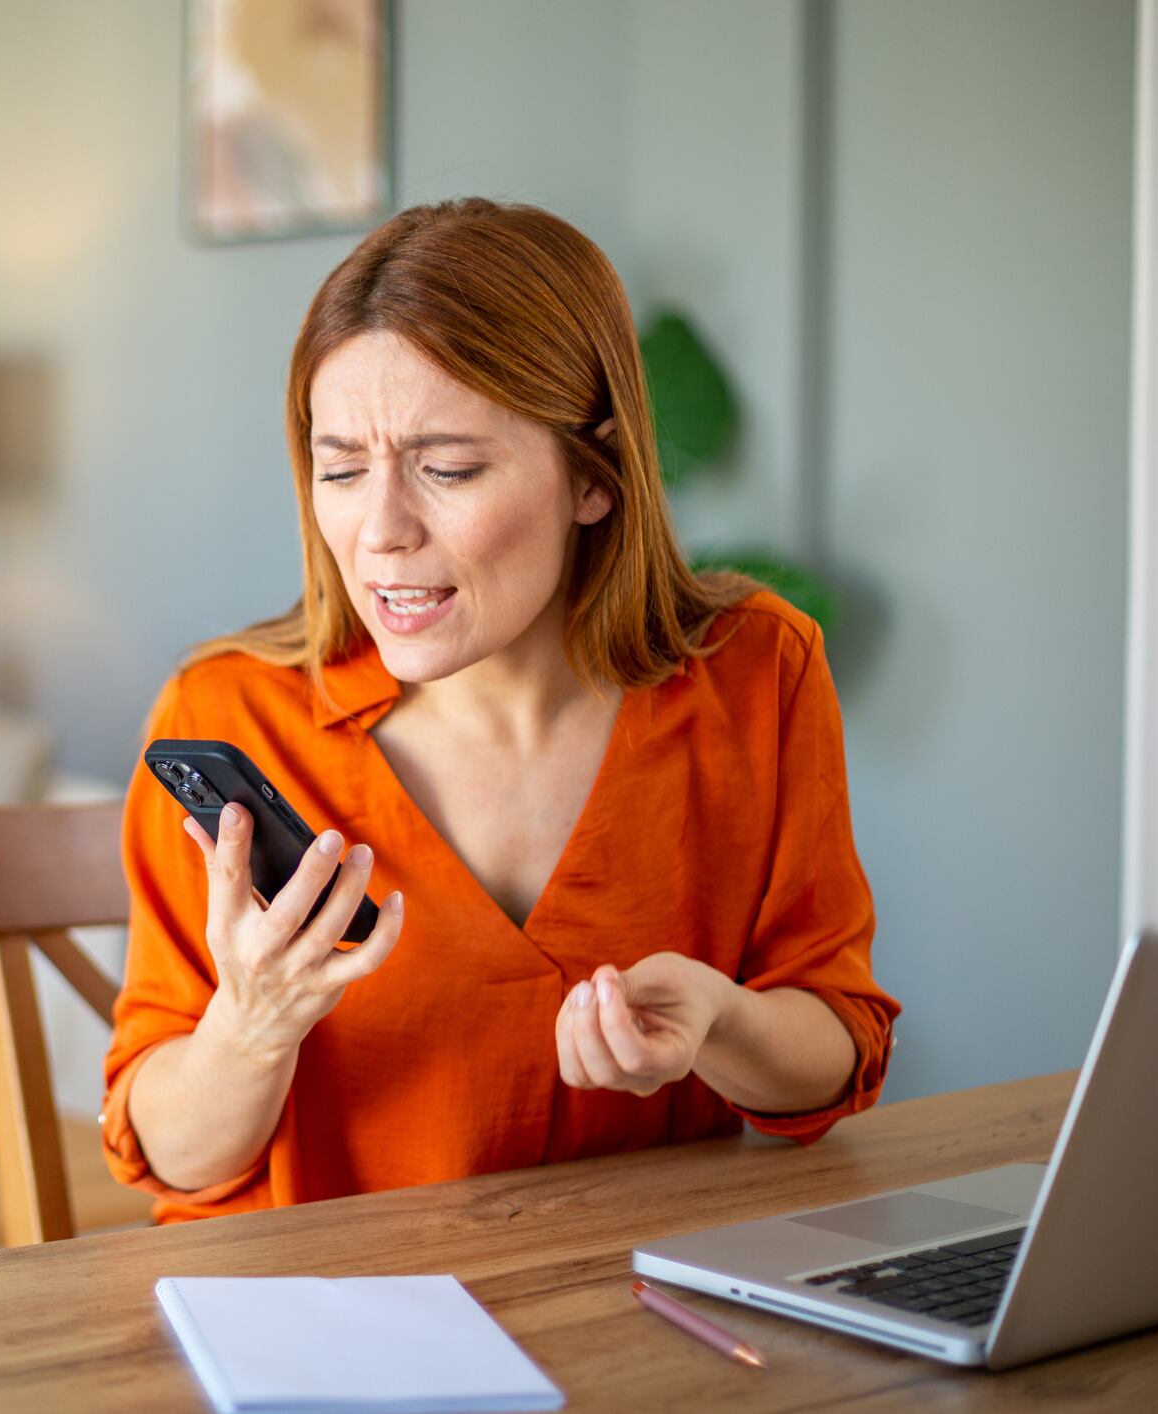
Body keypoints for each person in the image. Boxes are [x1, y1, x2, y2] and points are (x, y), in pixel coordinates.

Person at [101, 198, 900, 1224]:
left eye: (448, 468)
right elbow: (173, 1153)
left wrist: (721, 1025)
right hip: (334, 1341)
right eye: (340, 467)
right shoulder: (231, 715)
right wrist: (250, 1027)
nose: (380, 530)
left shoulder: (756, 673)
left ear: (593, 476)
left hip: (635, 1329)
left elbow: (833, 1050)